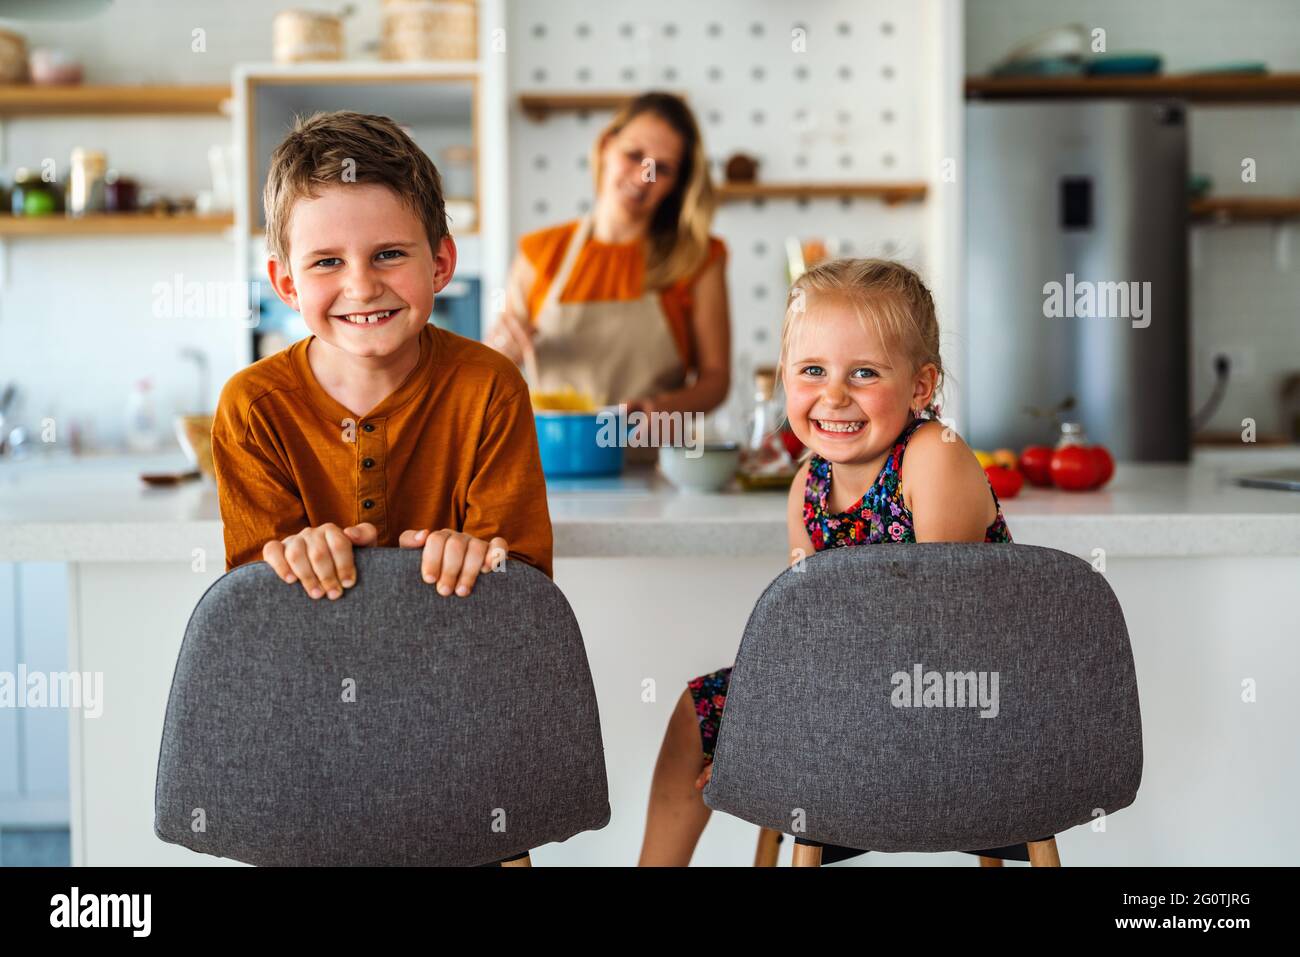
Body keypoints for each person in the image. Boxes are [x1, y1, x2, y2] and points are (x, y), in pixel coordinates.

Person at [638, 258, 1016, 866]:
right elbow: (805, 635)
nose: (834, 395)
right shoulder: (808, 486)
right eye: (812, 370)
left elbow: (937, 635)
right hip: (852, 699)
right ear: (785, 377)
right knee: (700, 710)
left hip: (954, 713)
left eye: (864, 373)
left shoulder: (933, 458)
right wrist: (763, 736)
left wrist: (784, 745)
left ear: (921, 387)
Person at [211, 110, 552, 598]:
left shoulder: (491, 388)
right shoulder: (251, 407)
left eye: (389, 254)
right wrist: (296, 560)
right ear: (287, 285)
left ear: (440, 264)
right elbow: (252, 608)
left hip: (459, 670)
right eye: (328, 262)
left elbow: (526, 594)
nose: (362, 287)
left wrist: (479, 560)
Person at [489, 91, 730, 424]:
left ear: (678, 185)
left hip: (652, 465)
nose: (643, 177)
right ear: (605, 147)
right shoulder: (539, 253)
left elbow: (716, 379)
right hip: (554, 464)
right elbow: (498, 365)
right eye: (634, 155)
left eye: (663, 169)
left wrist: (659, 411)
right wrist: (499, 350)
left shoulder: (697, 259)